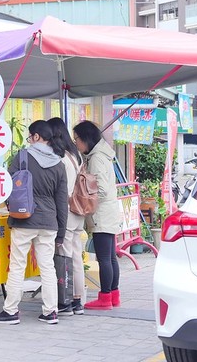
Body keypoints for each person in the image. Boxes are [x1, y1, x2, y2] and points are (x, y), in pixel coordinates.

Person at [0, 120, 68, 325]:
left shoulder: (22, 157)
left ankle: (11, 311)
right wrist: (61, 231)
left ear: (36, 137)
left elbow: (7, 185)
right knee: (47, 267)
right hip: (49, 222)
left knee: (17, 265)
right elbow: (62, 201)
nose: (29, 140)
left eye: (30, 136)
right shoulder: (59, 164)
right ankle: (51, 312)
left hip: (24, 219)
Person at [72, 120, 122, 310]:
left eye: (76, 139)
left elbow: (99, 189)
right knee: (109, 257)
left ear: (86, 139)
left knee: (104, 258)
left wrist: (87, 205)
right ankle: (113, 295)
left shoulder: (96, 159)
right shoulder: (102, 155)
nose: (75, 143)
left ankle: (105, 298)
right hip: (108, 211)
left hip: (101, 213)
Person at [47, 117, 85, 316]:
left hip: (67, 211)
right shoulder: (75, 154)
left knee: (64, 256)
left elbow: (62, 191)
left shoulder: (60, 158)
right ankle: (78, 299)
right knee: (76, 255)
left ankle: (66, 301)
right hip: (78, 212)